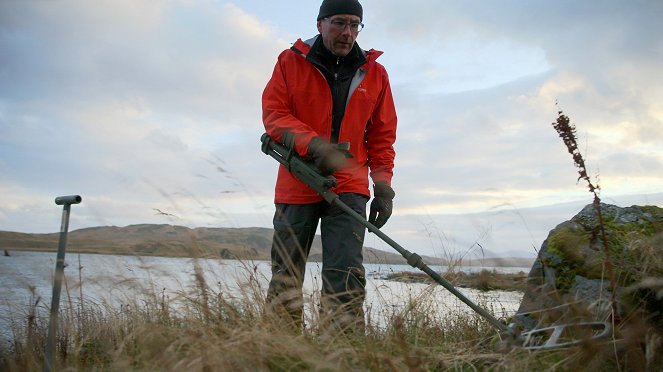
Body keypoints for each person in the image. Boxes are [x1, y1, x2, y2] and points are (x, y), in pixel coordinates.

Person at [261, 0, 397, 332]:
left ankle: (344, 353)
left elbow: (382, 135)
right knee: (286, 274)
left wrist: (383, 187)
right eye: (339, 23)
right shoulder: (290, 61)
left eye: (354, 24)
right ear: (320, 23)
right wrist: (315, 145)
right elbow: (274, 115)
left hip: (350, 186)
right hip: (297, 180)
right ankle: (280, 350)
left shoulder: (375, 73)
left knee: (346, 274)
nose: (347, 33)